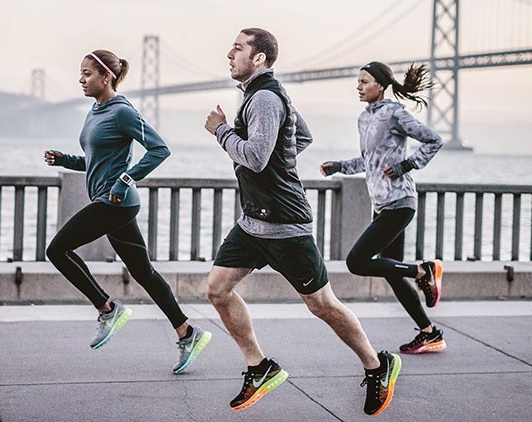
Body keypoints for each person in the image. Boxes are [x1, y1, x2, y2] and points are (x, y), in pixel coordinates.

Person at [203, 28, 400, 416]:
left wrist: (220, 131)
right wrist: (279, 158)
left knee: (321, 304)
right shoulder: (262, 96)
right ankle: (259, 366)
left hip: (284, 223)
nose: (229, 53)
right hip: (252, 222)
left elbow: (256, 158)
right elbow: (301, 136)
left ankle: (378, 365)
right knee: (217, 289)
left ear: (258, 58)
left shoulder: (264, 99)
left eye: (238, 48)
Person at [44, 49, 211, 374]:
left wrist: (125, 179)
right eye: (80, 73)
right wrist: (67, 160)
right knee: (143, 271)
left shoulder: (123, 112)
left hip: (115, 202)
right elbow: (95, 161)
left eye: (87, 73)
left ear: (107, 77)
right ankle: (187, 333)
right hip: (111, 201)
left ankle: (108, 309)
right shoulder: (95, 111)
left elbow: (160, 148)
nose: (81, 79)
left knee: (57, 250)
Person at [319, 61, 446, 355]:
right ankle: (430, 333)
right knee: (392, 272)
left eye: (365, 81)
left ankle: (424, 272)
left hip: (400, 202)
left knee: (357, 261)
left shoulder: (395, 113)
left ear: (381, 85)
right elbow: (369, 160)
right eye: (358, 82)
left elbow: (433, 140)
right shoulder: (364, 119)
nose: (359, 87)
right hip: (382, 205)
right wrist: (339, 166)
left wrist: (405, 165)